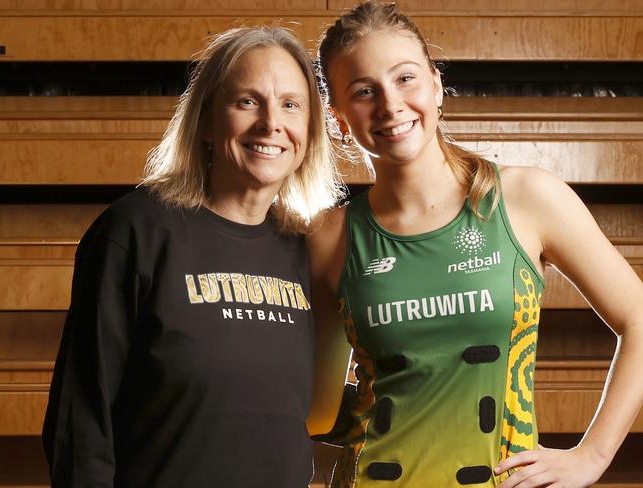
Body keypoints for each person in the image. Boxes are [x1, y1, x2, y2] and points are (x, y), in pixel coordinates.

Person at [306, 1, 643, 487]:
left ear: (436, 85)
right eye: (363, 91)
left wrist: (592, 456)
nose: (390, 104)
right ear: (339, 119)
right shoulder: (329, 237)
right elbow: (317, 412)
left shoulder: (528, 198)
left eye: (405, 79)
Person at [42, 26, 343, 488]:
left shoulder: (303, 247)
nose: (271, 123)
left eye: (290, 104)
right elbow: (80, 425)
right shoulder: (136, 232)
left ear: (309, 129)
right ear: (205, 120)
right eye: (246, 101)